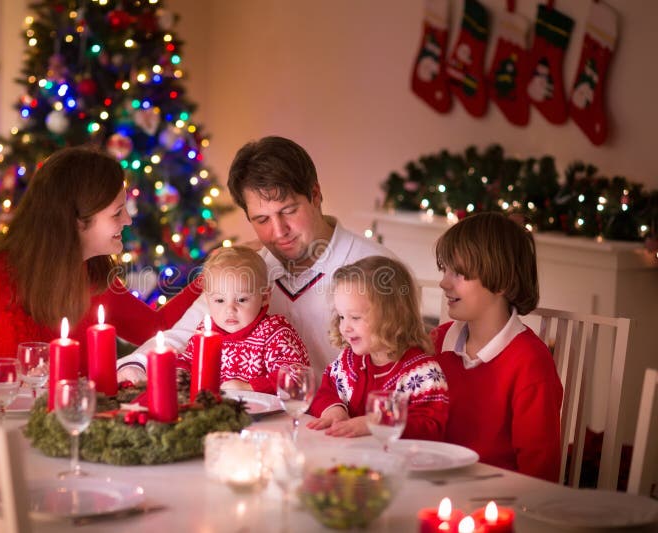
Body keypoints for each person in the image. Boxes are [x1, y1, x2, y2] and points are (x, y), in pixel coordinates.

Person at [0, 146, 200, 400]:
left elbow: (158, 326)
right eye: (116, 212)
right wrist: (19, 387)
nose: (128, 219)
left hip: (64, 438)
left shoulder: (96, 278)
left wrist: (213, 278)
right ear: (74, 221)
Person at [117, 135, 393, 383]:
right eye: (261, 219)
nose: (279, 231)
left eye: (288, 211)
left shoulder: (377, 267)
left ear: (316, 195)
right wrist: (136, 365)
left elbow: (397, 375)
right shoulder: (246, 270)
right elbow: (184, 335)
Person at [431, 212, 563, 482]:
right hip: (434, 486)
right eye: (445, 270)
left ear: (501, 282)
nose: (444, 282)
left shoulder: (530, 362)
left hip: (496, 504)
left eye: (458, 273)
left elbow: (538, 474)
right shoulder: (437, 341)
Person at [306, 256, 449, 439]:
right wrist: (334, 409)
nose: (345, 327)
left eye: (355, 317)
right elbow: (327, 390)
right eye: (341, 317)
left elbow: (431, 428)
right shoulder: (348, 361)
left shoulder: (422, 373)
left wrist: (375, 422)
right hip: (348, 461)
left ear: (392, 316)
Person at [177, 245, 309, 393]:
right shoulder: (205, 332)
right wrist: (181, 373)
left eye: (241, 299)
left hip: (269, 413)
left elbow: (296, 375)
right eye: (220, 300)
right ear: (208, 300)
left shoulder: (274, 332)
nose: (230, 309)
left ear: (264, 297)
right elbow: (187, 361)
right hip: (215, 410)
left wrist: (251, 387)